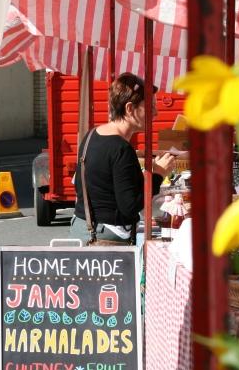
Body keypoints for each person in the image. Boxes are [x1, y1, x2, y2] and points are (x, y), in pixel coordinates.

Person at [70, 72, 176, 244]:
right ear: (129, 109)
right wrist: (158, 174)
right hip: (107, 239)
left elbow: (86, 184)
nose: (155, 113)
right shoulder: (121, 148)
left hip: (82, 228)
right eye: (150, 107)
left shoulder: (91, 136)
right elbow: (130, 206)